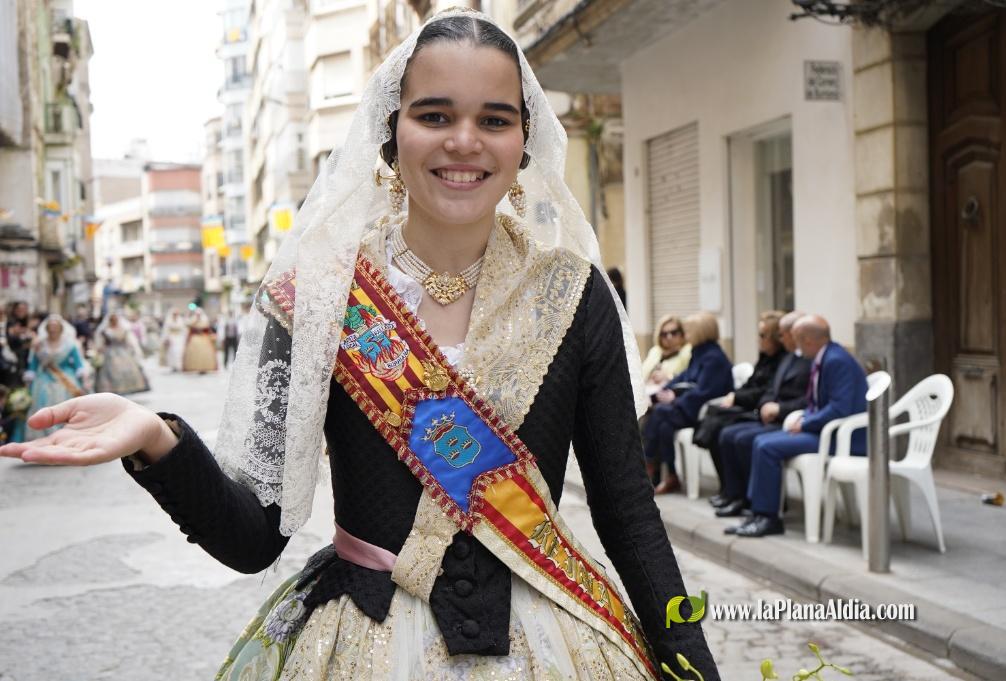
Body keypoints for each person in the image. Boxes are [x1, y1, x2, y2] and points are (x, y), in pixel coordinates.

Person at [0, 11, 719, 680]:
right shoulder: (320, 295)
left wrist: (692, 664)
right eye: (434, 115)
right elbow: (253, 536)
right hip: (368, 640)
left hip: (551, 637)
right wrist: (157, 439)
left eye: (493, 120)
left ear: (523, 141)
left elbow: (628, 513)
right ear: (390, 130)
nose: (464, 141)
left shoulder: (572, 292)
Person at [726, 314, 867, 538]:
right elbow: (819, 403)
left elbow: (839, 409)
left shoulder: (835, 361)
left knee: (767, 447)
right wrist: (803, 418)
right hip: (826, 432)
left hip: (843, 439)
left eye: (796, 339)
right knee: (761, 441)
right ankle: (758, 512)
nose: (792, 345)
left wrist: (805, 423)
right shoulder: (826, 357)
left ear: (808, 341)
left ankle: (768, 517)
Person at [711, 310, 811, 516]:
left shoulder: (811, 360)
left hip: (789, 419)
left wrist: (779, 409)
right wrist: (767, 404)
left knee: (747, 439)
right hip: (775, 416)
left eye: (783, 334)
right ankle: (738, 495)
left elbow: (810, 399)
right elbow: (770, 390)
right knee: (729, 434)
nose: (781, 339)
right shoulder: (789, 358)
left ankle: (760, 504)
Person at [692, 310, 785, 499]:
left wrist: (737, 398)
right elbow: (752, 384)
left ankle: (738, 493)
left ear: (776, 338)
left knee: (723, 430)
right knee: (716, 418)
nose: (759, 339)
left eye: (762, 335)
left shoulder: (782, 361)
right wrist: (735, 395)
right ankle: (728, 489)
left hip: (759, 410)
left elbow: (765, 392)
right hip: (752, 405)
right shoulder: (765, 357)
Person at [643, 311, 733, 494]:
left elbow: (705, 392)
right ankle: (671, 475)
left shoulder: (713, 357)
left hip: (702, 411)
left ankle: (647, 464)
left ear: (701, 331)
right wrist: (666, 389)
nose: (685, 335)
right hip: (689, 406)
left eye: (688, 331)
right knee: (664, 427)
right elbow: (684, 378)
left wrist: (674, 398)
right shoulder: (699, 352)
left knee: (659, 412)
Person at [23, 314, 88, 440]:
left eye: (55, 326)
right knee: (43, 401)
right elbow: (34, 363)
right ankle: (45, 434)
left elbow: (77, 363)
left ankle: (67, 432)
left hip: (65, 377)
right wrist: (30, 376)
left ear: (61, 328)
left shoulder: (69, 344)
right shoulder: (39, 344)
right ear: (46, 328)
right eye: (50, 327)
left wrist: (81, 375)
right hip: (44, 377)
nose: (53, 329)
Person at [93, 311, 150, 395]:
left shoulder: (124, 329)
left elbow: (130, 341)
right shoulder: (105, 330)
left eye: (115, 319)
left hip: (123, 352)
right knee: (110, 372)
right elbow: (100, 344)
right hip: (109, 353)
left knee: (125, 370)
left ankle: (126, 388)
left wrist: (135, 351)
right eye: (112, 320)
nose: (114, 321)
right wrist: (98, 352)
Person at [641, 314, 691, 386]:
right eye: (664, 334)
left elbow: (690, 376)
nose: (669, 337)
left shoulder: (688, 351)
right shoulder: (655, 351)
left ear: (682, 333)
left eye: (674, 332)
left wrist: (668, 377)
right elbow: (642, 374)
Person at [182, 308, 218, 373]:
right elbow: (188, 325)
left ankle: (204, 367)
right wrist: (195, 321)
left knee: (205, 352)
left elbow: (207, 328)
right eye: (197, 314)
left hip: (204, 337)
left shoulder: (204, 320)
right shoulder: (193, 319)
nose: (198, 315)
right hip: (195, 338)